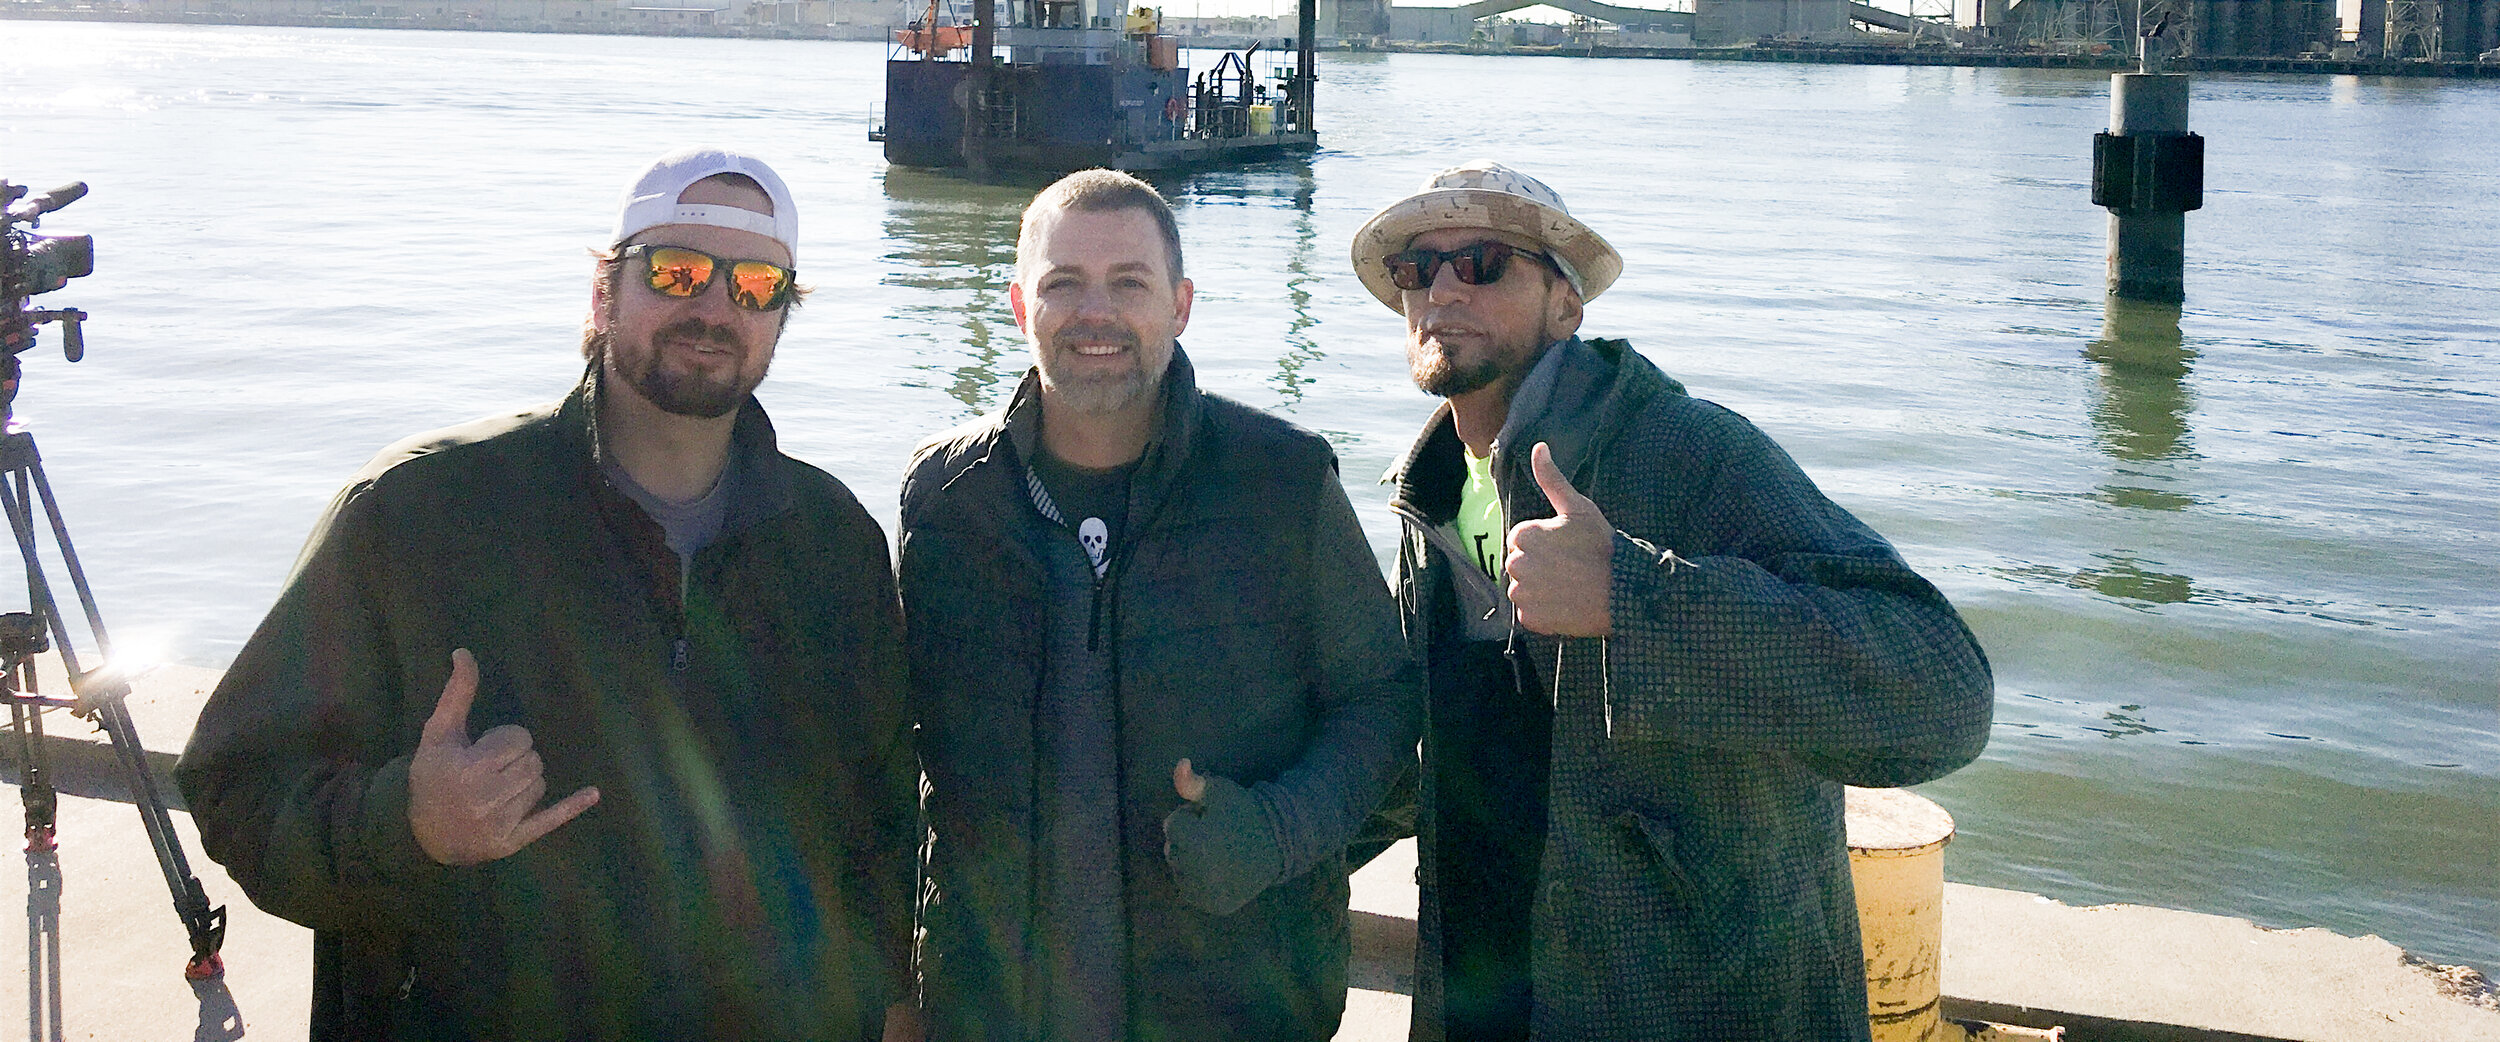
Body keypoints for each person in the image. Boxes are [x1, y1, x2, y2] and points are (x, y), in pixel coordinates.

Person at [175, 148, 915, 1041]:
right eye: (678, 271)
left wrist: (886, 999)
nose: (715, 307)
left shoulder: (835, 542)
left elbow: (880, 816)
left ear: (781, 316)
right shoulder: (419, 514)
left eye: (756, 284)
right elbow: (238, 786)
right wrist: (406, 823)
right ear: (605, 295)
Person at [1349, 160, 1995, 1041]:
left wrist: (1633, 596)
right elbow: (1419, 755)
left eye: (1485, 262)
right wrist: (1252, 832)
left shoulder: (1687, 455)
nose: (1443, 288)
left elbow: (1944, 694)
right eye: (1417, 269)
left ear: (1567, 304)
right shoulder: (1427, 499)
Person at [897, 169, 1421, 1042]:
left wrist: (1280, 830)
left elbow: (1380, 701)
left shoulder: (1282, 481)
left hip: (1236, 1005)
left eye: (1128, 284)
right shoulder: (945, 497)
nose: (1094, 312)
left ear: (1180, 306)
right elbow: (894, 746)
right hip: (991, 1006)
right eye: (1064, 284)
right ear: (1021, 307)